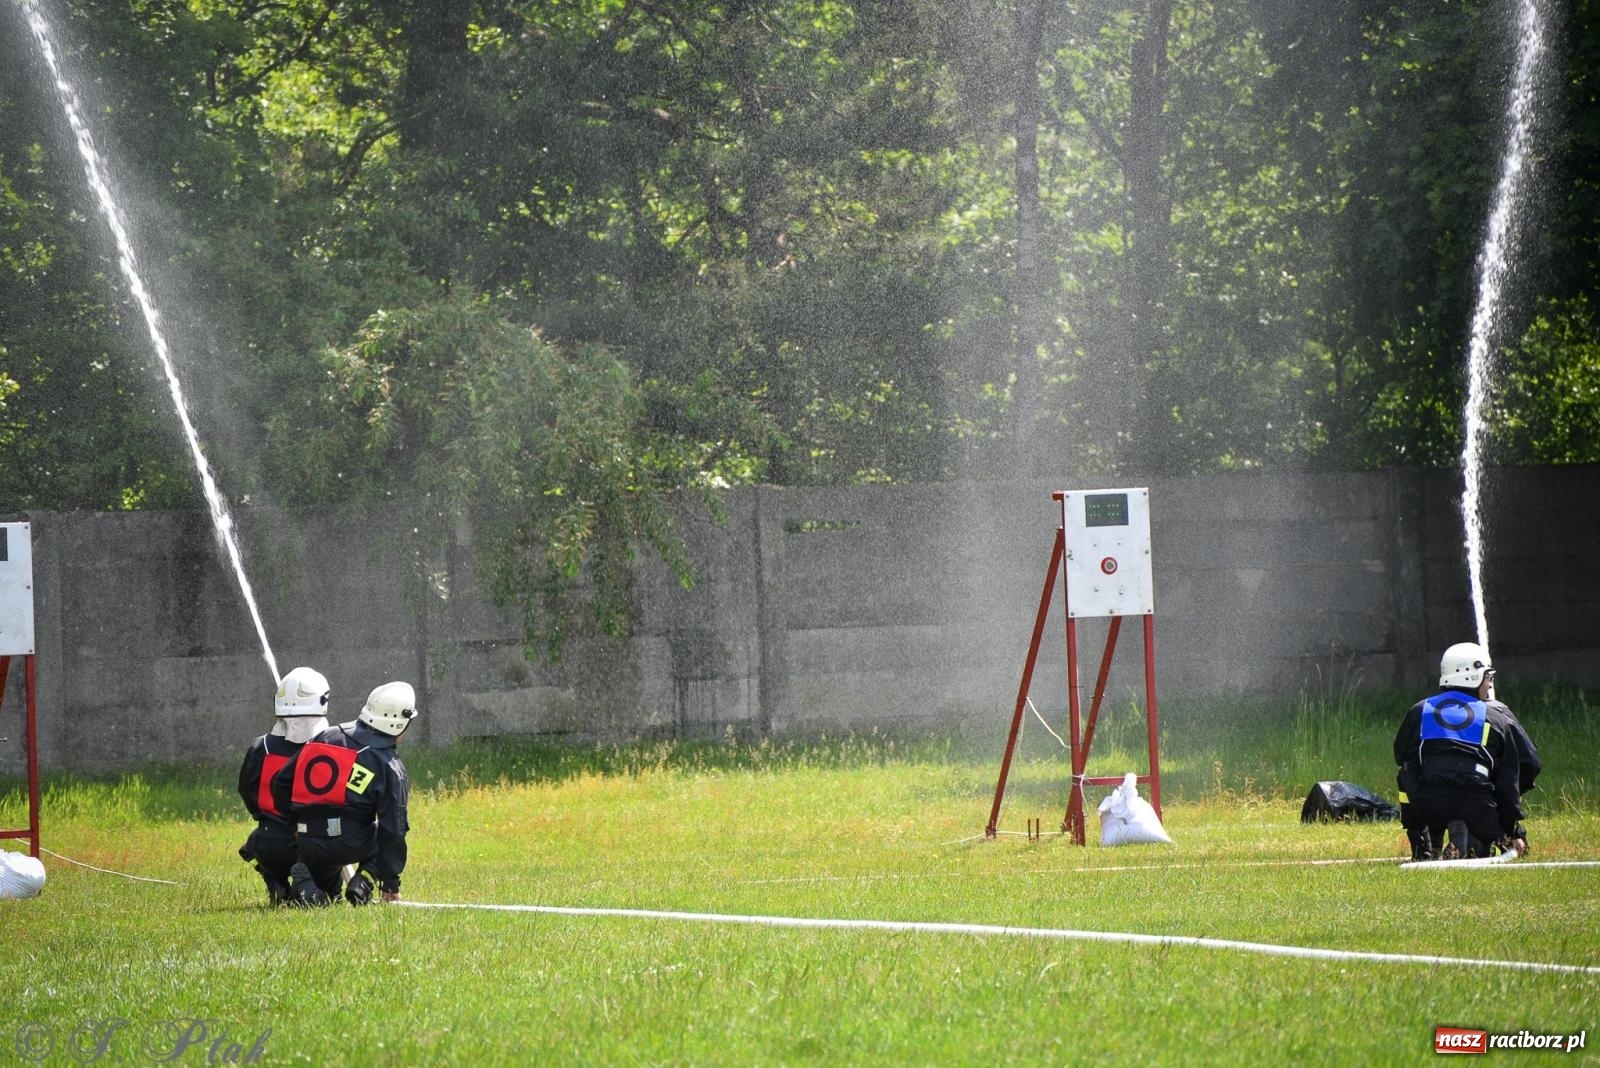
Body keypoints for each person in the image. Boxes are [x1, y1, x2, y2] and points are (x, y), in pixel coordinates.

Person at [271, 681, 416, 906]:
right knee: (385, 833)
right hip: (351, 844)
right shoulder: (389, 765)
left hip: (308, 841)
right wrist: (390, 884)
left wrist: (294, 825)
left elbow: (281, 782)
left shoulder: (325, 736)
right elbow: (394, 828)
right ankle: (364, 880)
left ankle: (306, 880)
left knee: (330, 895)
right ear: (401, 723)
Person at [1393, 642, 1541, 860]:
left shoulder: (1420, 710)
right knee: (1503, 775)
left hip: (1430, 806)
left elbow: (1401, 754)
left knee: (1406, 771)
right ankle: (1494, 841)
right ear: (1472, 678)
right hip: (1480, 811)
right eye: (1487, 677)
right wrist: (1510, 827)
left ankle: (1423, 849)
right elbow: (1529, 765)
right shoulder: (1497, 715)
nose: (1490, 685)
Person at [237, 666, 332, 905]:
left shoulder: (261, 747)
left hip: (270, 843)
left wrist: (265, 818)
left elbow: (247, 790)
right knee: (332, 896)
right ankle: (309, 886)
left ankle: (276, 879)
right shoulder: (330, 748)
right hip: (315, 846)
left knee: (256, 841)